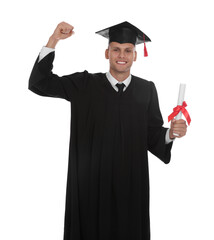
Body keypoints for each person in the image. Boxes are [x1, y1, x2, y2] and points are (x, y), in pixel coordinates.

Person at [28, 21, 187, 240]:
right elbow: (39, 83)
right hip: (90, 190)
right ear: (107, 53)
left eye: (128, 50)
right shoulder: (84, 85)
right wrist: (53, 40)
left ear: (135, 55)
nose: (122, 55)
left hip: (130, 190)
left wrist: (171, 133)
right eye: (116, 49)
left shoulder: (146, 89)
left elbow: (152, 136)